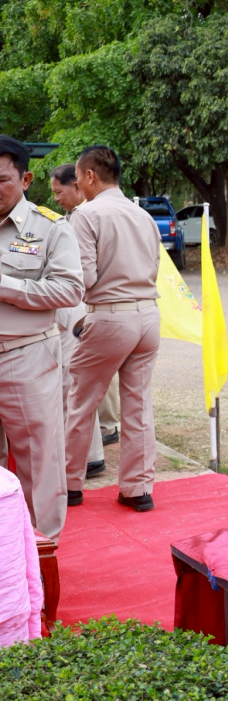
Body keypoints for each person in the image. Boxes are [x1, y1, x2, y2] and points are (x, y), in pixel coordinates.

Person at [63, 145, 160, 512]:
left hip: (110, 314)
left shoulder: (86, 215)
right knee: (138, 405)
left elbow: (82, 279)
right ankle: (138, 489)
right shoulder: (143, 215)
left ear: (90, 176)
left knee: (80, 401)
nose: (77, 185)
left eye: (78, 177)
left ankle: (71, 484)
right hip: (148, 314)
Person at [0, 137, 83, 540]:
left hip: (26, 357)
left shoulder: (50, 228)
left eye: (1, 180)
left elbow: (69, 291)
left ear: (25, 178)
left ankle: (41, 551)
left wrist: (5, 285)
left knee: (38, 461)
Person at [48, 164, 104, 479]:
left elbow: (87, 272)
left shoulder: (85, 217)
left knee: (74, 382)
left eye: (60, 192)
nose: (57, 198)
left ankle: (88, 457)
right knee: (75, 384)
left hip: (78, 306)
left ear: (78, 186)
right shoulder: (72, 218)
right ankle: (88, 454)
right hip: (72, 304)